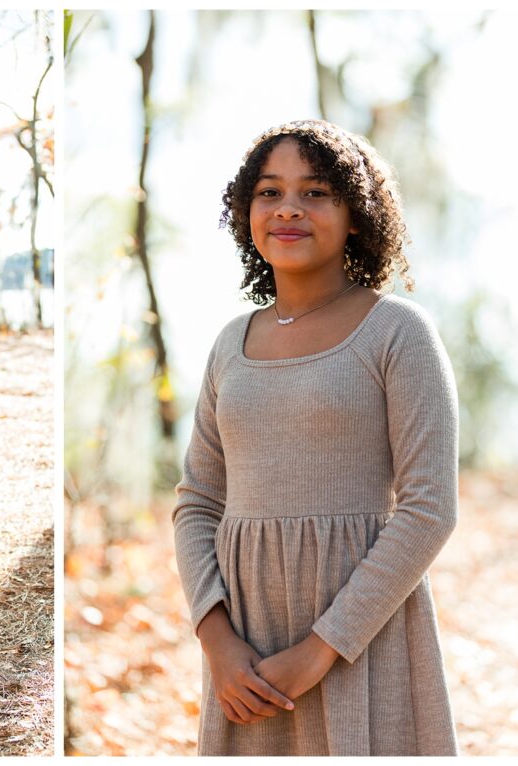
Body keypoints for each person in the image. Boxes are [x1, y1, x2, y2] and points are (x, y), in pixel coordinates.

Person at [172, 120, 458, 755]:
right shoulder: (230, 344)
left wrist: (320, 650)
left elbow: (429, 508)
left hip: (365, 636)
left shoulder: (398, 332)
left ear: (356, 215)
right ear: (246, 212)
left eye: (318, 192)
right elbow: (197, 501)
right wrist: (217, 641)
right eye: (269, 193)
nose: (289, 209)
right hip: (245, 654)